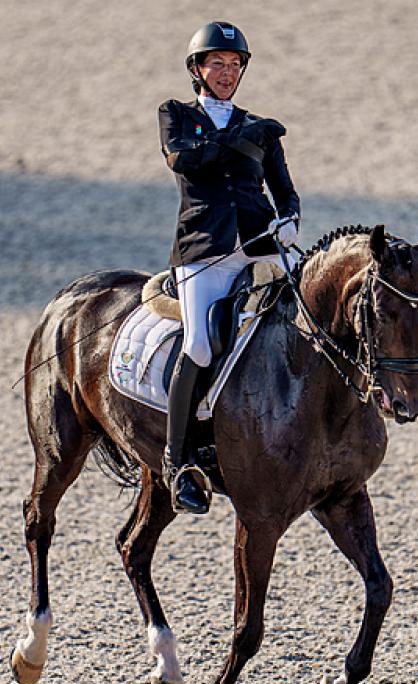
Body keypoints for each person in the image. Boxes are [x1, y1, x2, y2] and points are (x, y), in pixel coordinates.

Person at [158, 21, 301, 514]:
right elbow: (185, 161)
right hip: (204, 251)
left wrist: (290, 220)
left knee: (306, 322)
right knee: (199, 342)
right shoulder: (176, 115)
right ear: (197, 70)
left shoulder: (257, 126)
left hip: (260, 246)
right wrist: (242, 140)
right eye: (216, 64)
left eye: (234, 64)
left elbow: (284, 188)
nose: (226, 72)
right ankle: (176, 463)